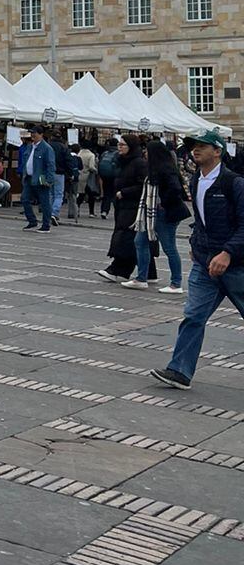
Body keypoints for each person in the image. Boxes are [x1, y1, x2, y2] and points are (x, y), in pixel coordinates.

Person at [151, 129, 244, 389]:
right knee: (193, 316)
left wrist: (228, 252)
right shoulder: (196, 180)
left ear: (218, 151)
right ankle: (179, 371)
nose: (196, 149)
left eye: (203, 145)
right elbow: (201, 222)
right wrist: (196, 244)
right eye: (194, 145)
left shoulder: (234, 183)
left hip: (236, 266)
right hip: (205, 264)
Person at [124, 138, 187, 293]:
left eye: (147, 150)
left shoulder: (165, 169)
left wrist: (162, 203)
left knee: (169, 247)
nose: (145, 153)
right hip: (150, 213)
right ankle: (141, 278)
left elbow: (175, 189)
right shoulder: (155, 168)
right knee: (140, 241)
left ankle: (176, 283)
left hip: (162, 213)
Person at [98, 135, 146, 281]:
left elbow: (143, 185)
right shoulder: (122, 161)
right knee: (136, 239)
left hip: (133, 206)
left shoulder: (139, 163)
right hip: (122, 205)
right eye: (119, 144)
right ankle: (150, 272)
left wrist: (124, 192)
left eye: (123, 145)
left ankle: (117, 270)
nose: (119, 147)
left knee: (126, 238)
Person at [20, 124, 55, 231]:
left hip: (41, 178)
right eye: (31, 133)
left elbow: (51, 165)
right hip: (29, 178)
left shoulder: (46, 148)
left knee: (44, 202)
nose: (32, 135)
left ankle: (46, 225)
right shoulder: (30, 146)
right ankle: (32, 221)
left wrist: (49, 180)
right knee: (24, 199)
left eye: (34, 133)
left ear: (41, 134)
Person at [97, 140, 119, 218]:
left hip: (105, 176)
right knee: (115, 194)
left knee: (107, 193)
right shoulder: (118, 153)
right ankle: (117, 212)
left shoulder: (105, 153)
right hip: (114, 176)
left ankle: (104, 211)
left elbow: (99, 163)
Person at [78, 141, 99, 216]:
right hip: (87, 177)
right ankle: (91, 212)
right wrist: (96, 171)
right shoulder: (91, 155)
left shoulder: (79, 153)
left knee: (81, 193)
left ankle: (77, 209)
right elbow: (91, 167)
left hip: (79, 175)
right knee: (90, 194)